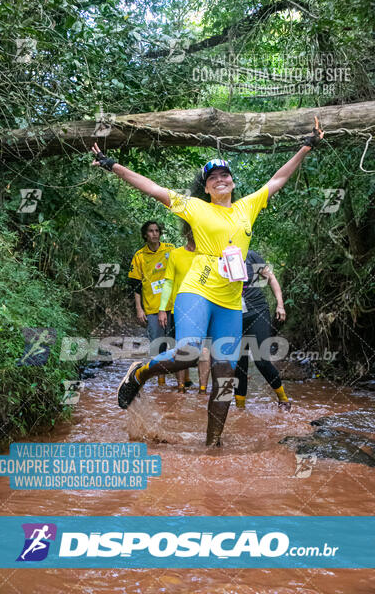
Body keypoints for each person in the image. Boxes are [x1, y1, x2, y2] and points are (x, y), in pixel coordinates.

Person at [91, 116, 324, 446]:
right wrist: (113, 165)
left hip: (230, 300)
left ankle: (212, 443)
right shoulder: (195, 208)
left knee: (225, 375)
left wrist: (306, 147)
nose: (219, 180)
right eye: (212, 177)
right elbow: (153, 188)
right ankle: (140, 372)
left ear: (232, 181)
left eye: (224, 175)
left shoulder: (248, 206)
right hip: (197, 289)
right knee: (186, 352)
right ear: (205, 187)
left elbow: (279, 178)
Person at [158, 220, 210, 394]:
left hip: (204, 308)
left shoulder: (208, 255)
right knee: (180, 349)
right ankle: (181, 389)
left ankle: (202, 390)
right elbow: (168, 283)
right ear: (186, 233)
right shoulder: (175, 254)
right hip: (178, 310)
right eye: (192, 231)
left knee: (204, 350)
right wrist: (162, 309)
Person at [234, 249, 290, 410]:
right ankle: (240, 409)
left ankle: (283, 399)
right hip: (233, 316)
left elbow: (271, 278)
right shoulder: (217, 258)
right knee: (239, 365)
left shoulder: (249, 255)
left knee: (261, 360)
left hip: (257, 312)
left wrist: (280, 305)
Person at [128, 221, 174, 385]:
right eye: (150, 231)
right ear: (145, 234)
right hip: (153, 307)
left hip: (174, 305)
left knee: (177, 344)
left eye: (157, 231)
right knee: (158, 345)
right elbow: (136, 285)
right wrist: (139, 309)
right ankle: (161, 380)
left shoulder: (170, 249)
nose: (154, 234)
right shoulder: (139, 256)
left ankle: (182, 381)